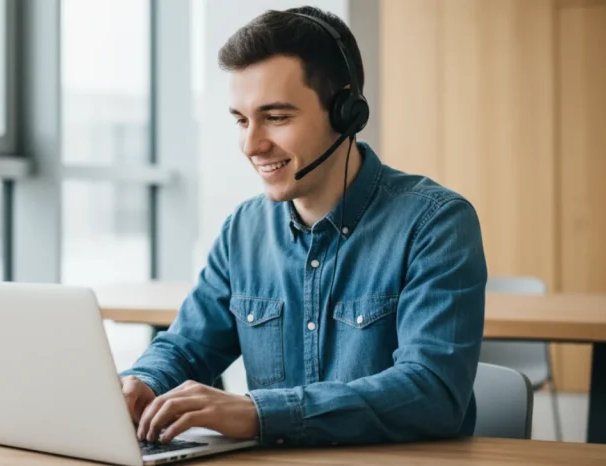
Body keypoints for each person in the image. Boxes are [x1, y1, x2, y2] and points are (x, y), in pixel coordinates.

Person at [119, 6, 487, 447]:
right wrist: (144, 380)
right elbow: (187, 346)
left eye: (276, 118)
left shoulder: (435, 223)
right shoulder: (244, 230)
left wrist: (259, 413)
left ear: (346, 112)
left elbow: (432, 392)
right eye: (241, 120)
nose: (251, 145)